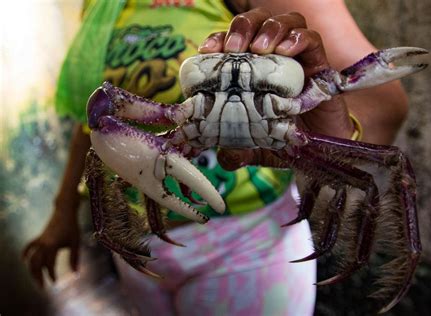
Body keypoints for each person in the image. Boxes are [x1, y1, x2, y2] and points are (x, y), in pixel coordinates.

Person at [23, 0, 409, 315]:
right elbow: (96, 120)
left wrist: (323, 141)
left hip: (247, 246)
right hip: (142, 245)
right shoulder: (102, 5)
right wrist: (63, 211)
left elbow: (381, 106)